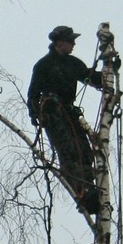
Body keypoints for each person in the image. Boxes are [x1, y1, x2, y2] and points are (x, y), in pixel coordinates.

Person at [27, 26, 103, 214]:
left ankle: (89, 189)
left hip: (69, 112)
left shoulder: (73, 64)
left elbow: (89, 77)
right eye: (71, 41)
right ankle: (81, 191)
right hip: (53, 114)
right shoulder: (44, 65)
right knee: (68, 150)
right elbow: (33, 94)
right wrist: (36, 114)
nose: (74, 45)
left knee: (84, 150)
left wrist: (108, 71)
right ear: (59, 43)